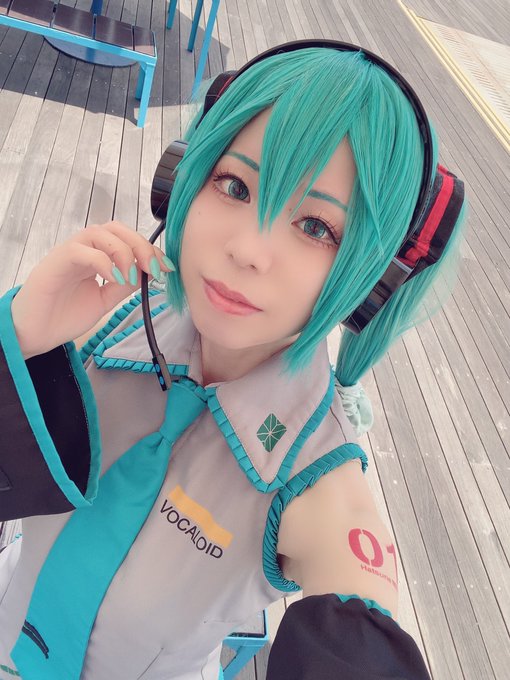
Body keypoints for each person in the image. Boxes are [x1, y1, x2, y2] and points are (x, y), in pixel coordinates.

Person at [0, 41, 465, 679]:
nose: (248, 249)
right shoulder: (106, 321)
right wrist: (17, 338)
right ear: (180, 182)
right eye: (234, 185)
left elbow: (358, 629)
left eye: (317, 227)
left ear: (371, 282)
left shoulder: (315, 484)